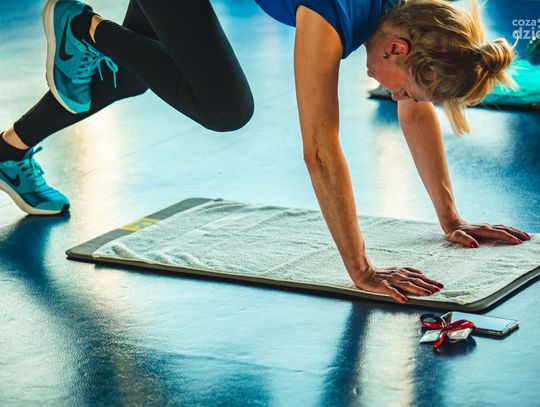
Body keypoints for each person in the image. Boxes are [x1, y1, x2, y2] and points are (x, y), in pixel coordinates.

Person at [0, 0, 532, 303]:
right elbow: (320, 150)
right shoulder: (328, 16)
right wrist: (362, 269)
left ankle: (9, 151)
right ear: (397, 49)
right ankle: (83, 26)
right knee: (225, 107)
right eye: (405, 88)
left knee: (137, 70)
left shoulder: (412, 14)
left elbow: (416, 112)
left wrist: (450, 218)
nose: (397, 99)